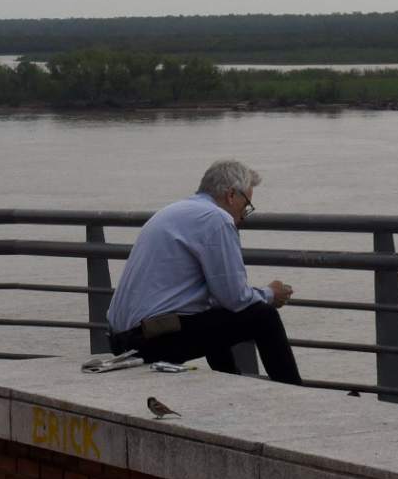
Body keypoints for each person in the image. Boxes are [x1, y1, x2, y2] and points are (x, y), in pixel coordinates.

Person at [105, 160, 302, 385]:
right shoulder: (216, 219)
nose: (244, 215)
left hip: (120, 339)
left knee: (212, 313)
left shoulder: (175, 211)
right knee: (264, 317)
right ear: (231, 195)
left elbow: (221, 301)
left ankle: (231, 384)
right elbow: (235, 298)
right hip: (146, 340)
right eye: (246, 205)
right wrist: (269, 294)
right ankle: (295, 393)